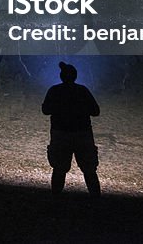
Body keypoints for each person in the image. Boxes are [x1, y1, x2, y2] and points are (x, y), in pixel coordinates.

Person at [42, 61, 101, 197]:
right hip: (83, 134)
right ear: (75, 76)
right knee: (89, 170)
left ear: (61, 76)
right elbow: (96, 111)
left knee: (59, 169)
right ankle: (96, 200)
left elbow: (45, 110)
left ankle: (55, 199)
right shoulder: (82, 90)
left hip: (60, 134)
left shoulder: (54, 90)